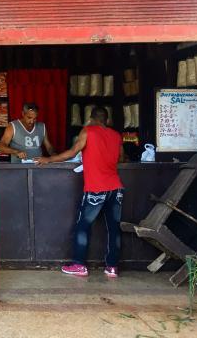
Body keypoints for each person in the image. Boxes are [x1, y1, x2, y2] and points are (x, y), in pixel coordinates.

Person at [35, 106, 124, 278]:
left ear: (91, 118)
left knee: (83, 226)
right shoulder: (116, 135)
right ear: (106, 120)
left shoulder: (88, 131)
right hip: (116, 187)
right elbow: (121, 158)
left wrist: (48, 159)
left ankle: (79, 265)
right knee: (114, 228)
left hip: (96, 188)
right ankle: (112, 267)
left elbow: (72, 152)